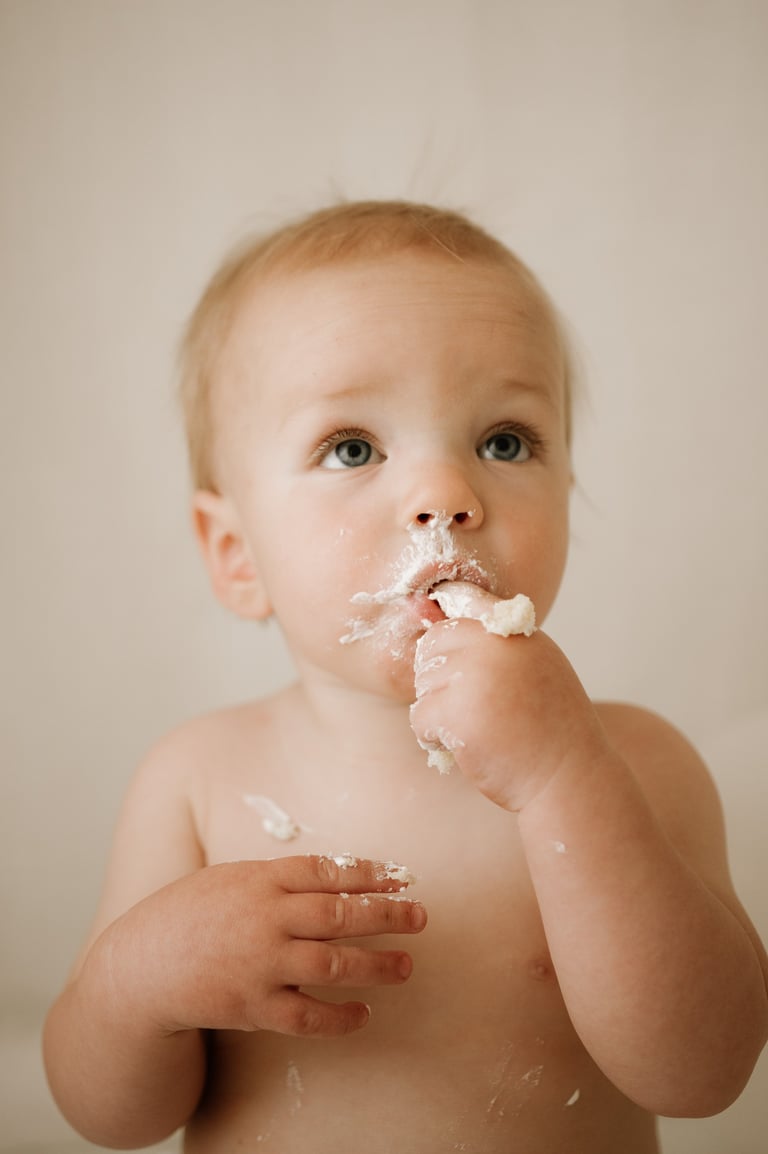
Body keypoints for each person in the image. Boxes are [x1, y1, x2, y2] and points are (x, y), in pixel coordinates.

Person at [43, 200, 768, 1153]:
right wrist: (136, 985)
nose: (446, 496)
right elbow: (107, 1116)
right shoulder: (197, 780)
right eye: (353, 447)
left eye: (504, 441)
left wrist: (566, 777)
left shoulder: (634, 762)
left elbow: (705, 1073)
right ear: (236, 554)